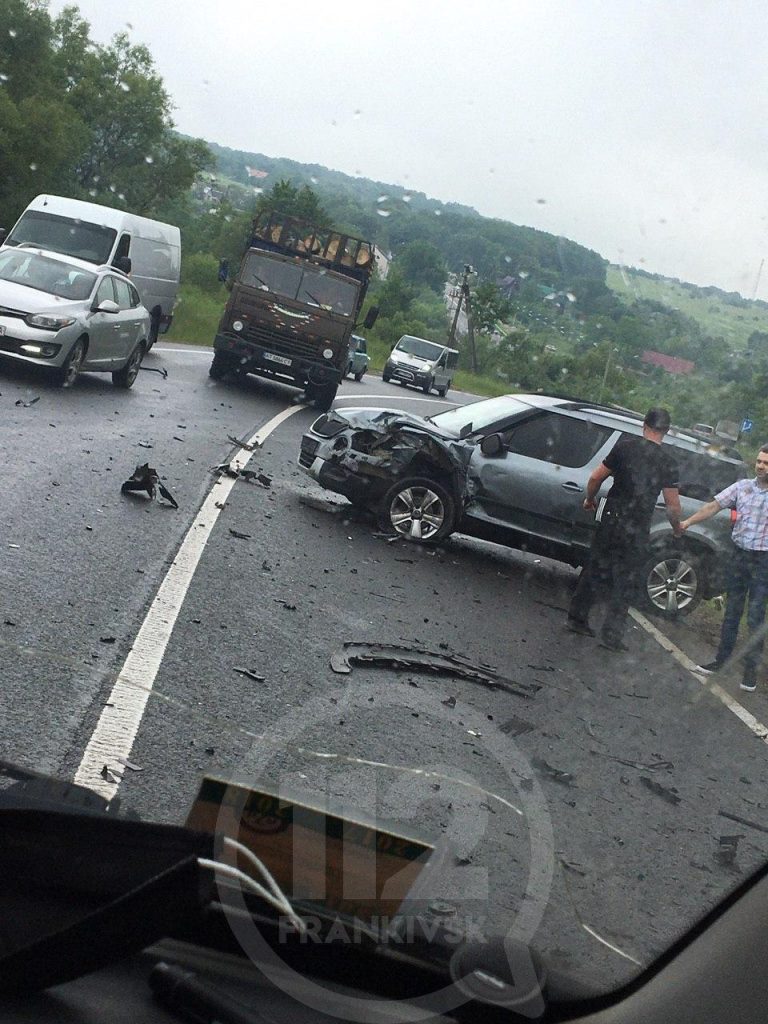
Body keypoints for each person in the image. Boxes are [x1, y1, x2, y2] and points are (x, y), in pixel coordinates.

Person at [567, 407, 682, 651]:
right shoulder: (669, 463)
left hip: (612, 517)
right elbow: (673, 506)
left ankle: (577, 618)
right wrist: (677, 527)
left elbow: (596, 477)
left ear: (644, 425)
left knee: (595, 567)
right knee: (626, 580)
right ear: (667, 431)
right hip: (637, 526)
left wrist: (590, 498)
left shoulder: (624, 448)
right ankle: (611, 635)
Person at [680, 445, 768, 692]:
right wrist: (687, 522)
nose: (761, 466)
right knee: (732, 611)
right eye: (759, 461)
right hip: (740, 556)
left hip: (763, 561)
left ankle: (750, 673)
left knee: (755, 617)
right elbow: (713, 506)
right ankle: (720, 661)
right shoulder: (743, 487)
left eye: (766, 463)